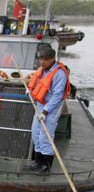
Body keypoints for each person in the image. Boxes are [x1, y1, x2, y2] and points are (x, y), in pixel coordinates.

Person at [26, 45, 70, 173]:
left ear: (52, 59)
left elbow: (57, 95)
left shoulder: (60, 74)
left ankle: (46, 166)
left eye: (45, 59)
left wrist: (46, 111)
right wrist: (30, 90)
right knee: (35, 134)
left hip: (52, 108)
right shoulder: (43, 70)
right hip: (40, 105)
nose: (42, 62)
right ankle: (37, 162)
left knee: (46, 137)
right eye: (40, 59)